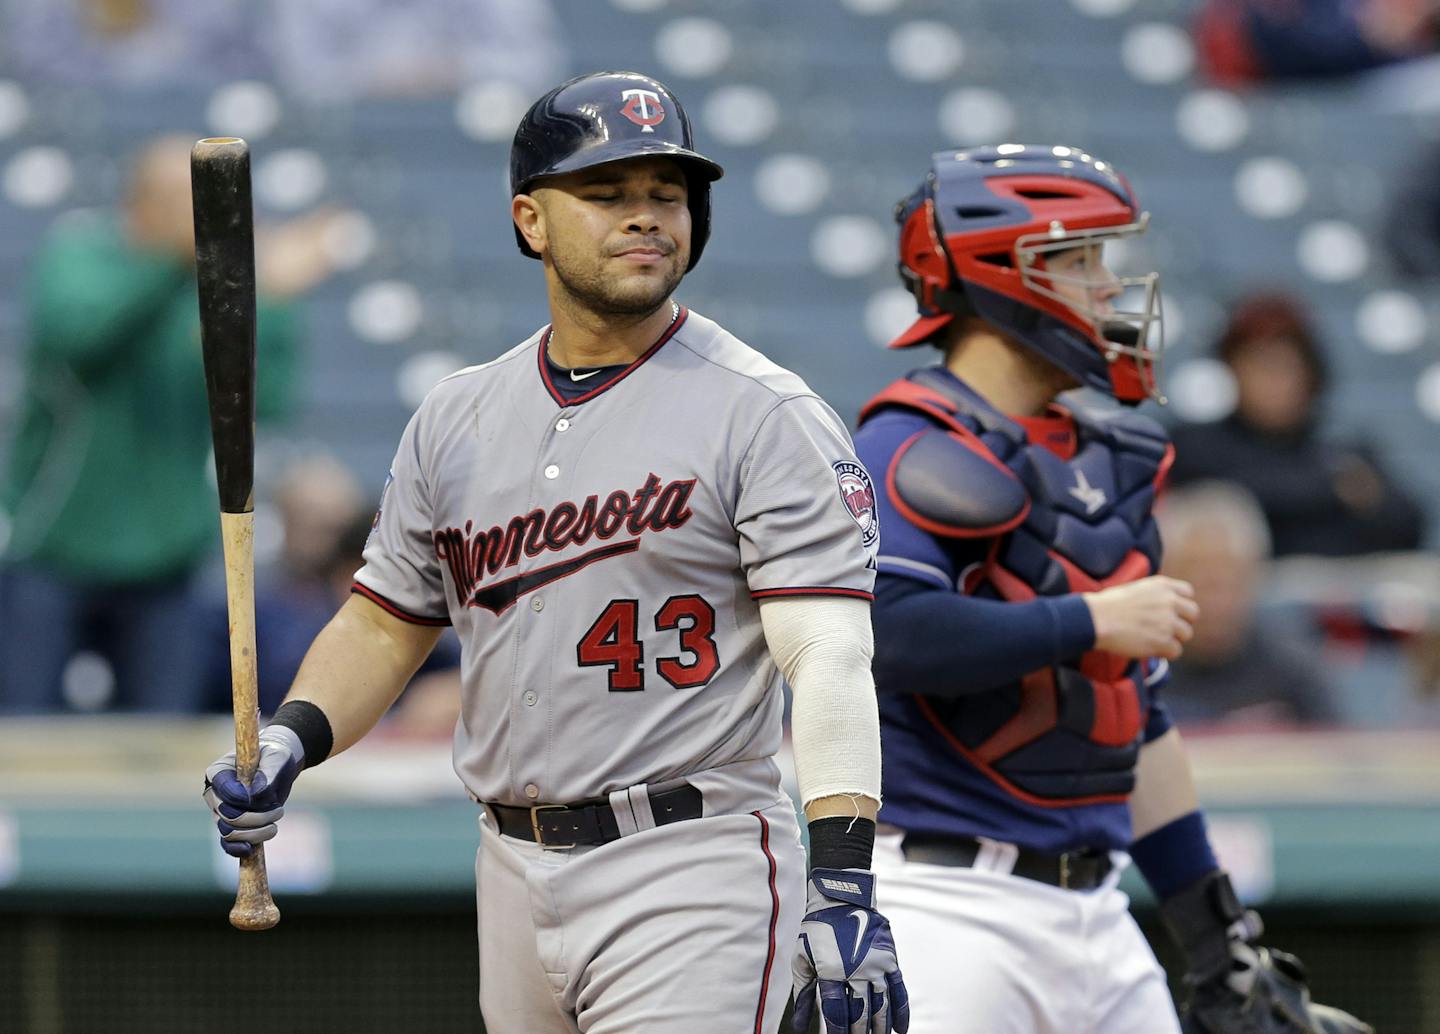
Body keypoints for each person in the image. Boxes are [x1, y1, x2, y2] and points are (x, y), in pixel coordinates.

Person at [203, 72, 908, 1034]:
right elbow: (383, 622)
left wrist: (843, 881)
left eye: (668, 195)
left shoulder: (765, 413)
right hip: (506, 863)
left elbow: (827, 655)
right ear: (530, 220)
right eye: (609, 193)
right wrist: (292, 737)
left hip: (690, 863)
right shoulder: (459, 414)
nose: (647, 217)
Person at [852, 146, 1369, 1033]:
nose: (1110, 287)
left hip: (1099, 905)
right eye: (1082, 260)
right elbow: (889, 638)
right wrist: (1090, 617)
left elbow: (1138, 721)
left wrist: (1216, 939)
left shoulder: (1109, 457)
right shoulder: (906, 438)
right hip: (945, 904)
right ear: (1004, 276)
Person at [0, 135, 342, 714]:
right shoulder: (81, 255)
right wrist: (183, 257)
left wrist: (274, 301)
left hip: (167, 557)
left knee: (165, 741)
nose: (212, 213)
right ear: (143, 202)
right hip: (54, 544)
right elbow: (79, 338)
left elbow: (265, 401)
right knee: (25, 735)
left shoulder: (205, 287)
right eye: (194, 198)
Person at [1168, 291, 1425, 558]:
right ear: (1231, 371)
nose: (1274, 383)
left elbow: (1407, 524)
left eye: (1286, 367)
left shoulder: (1343, 450)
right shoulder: (1197, 446)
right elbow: (1240, 496)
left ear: (1310, 375)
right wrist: (1333, 490)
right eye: (1261, 366)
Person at [1158, 480, 1343, 728]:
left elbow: (1334, 753)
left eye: (1227, 583)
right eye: (1200, 584)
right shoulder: (1141, 674)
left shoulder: (1293, 670)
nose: (1215, 603)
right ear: (1166, 581)